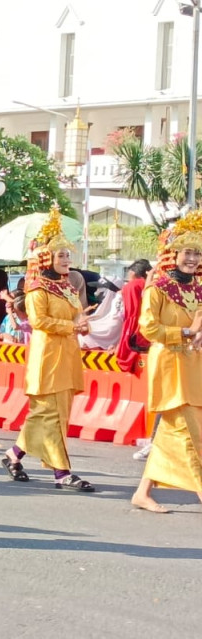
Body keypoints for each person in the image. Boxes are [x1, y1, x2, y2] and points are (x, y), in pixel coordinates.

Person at [0, 207, 94, 491]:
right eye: (60, 255)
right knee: (50, 415)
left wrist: (83, 322)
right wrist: (71, 326)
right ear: (47, 258)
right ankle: (62, 473)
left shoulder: (67, 287)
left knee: (46, 415)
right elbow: (38, 321)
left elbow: (74, 317)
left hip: (67, 354)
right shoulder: (37, 288)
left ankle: (13, 455)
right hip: (48, 356)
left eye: (68, 254)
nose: (66, 259)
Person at [130, 211, 202, 513]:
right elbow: (149, 329)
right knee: (190, 434)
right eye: (188, 251)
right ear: (174, 253)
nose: (193, 258)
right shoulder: (157, 286)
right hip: (169, 365)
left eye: (197, 252)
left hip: (193, 365)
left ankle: (142, 492)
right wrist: (187, 332)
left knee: (174, 433)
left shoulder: (198, 288)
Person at [117, 259, 153, 373]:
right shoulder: (152, 284)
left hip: (134, 325)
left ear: (132, 272)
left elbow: (129, 311)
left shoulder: (130, 286)